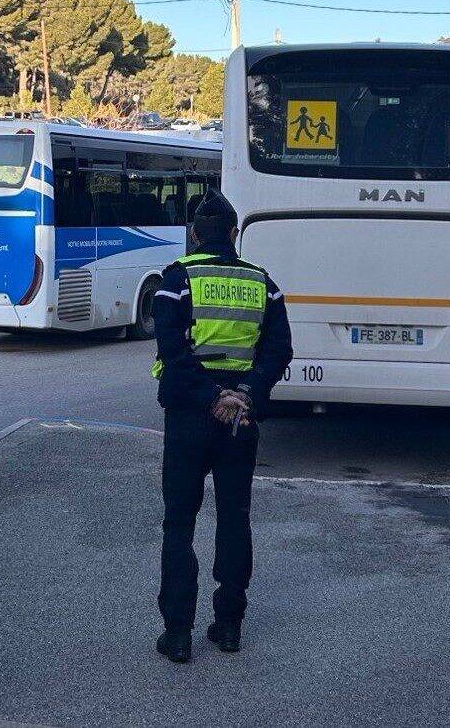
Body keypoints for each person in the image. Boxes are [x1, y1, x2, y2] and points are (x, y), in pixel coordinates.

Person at [152, 190, 292, 663]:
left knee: (179, 522)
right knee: (234, 517)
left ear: (195, 234)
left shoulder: (176, 280)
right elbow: (278, 351)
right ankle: (229, 625)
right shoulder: (263, 284)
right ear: (234, 234)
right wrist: (245, 394)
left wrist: (212, 397)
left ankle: (177, 634)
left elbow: (172, 353)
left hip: (191, 416)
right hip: (241, 419)